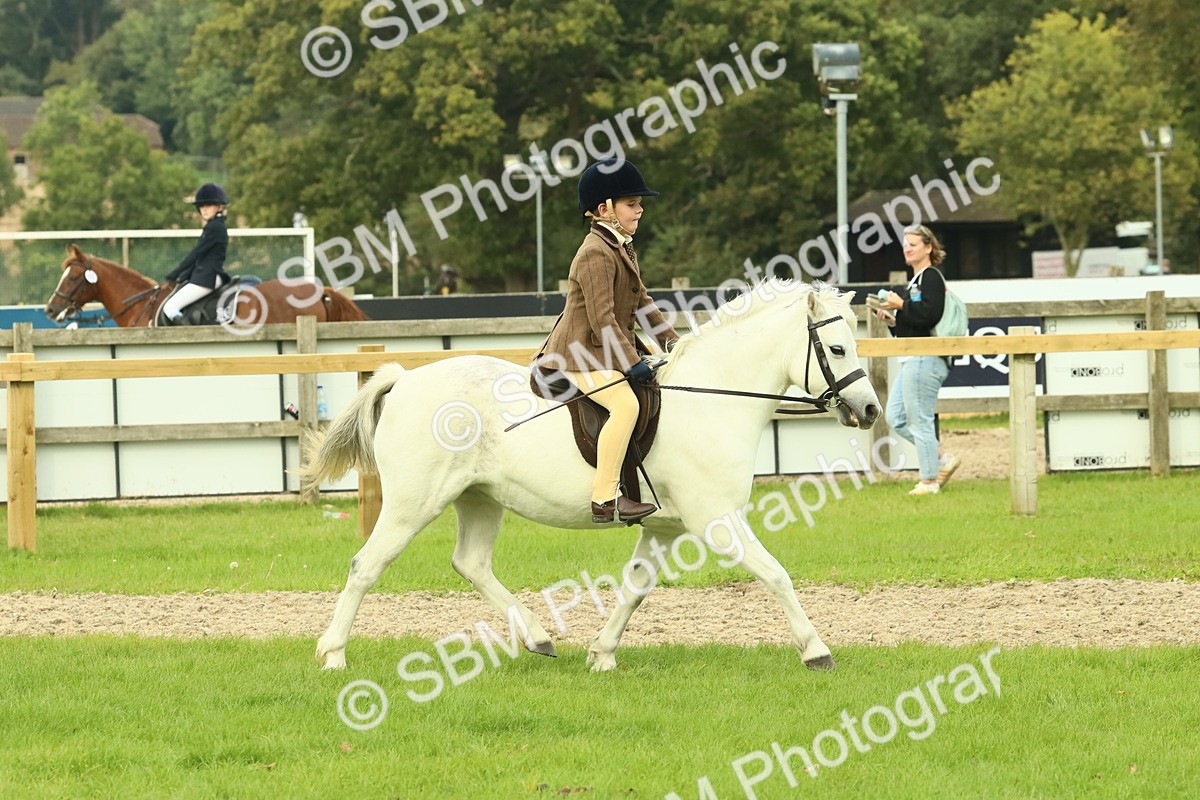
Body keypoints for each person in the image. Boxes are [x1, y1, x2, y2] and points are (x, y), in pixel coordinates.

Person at [535, 158, 679, 524]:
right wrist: (632, 361)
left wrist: (675, 346)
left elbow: (643, 304)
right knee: (625, 406)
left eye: (639, 203)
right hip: (578, 356)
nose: (640, 209)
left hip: (602, 352)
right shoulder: (595, 252)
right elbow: (603, 320)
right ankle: (605, 499)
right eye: (632, 203)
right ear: (604, 209)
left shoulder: (620, 247)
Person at [874, 224, 961, 495]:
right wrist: (893, 320)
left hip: (926, 356)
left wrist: (901, 306)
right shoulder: (916, 280)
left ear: (928, 247)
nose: (907, 248)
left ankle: (929, 481)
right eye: (905, 244)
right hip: (912, 356)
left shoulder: (932, 277)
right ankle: (942, 460)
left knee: (919, 419)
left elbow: (930, 314)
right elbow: (914, 323)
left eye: (913, 243)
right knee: (896, 417)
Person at [160, 183, 231, 324]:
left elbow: (196, 254)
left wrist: (173, 275)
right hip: (205, 275)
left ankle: (188, 337)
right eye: (201, 206)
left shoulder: (215, 228)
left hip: (207, 277)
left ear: (219, 207)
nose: (204, 209)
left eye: (208, 205)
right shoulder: (213, 226)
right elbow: (201, 258)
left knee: (170, 307)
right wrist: (182, 278)